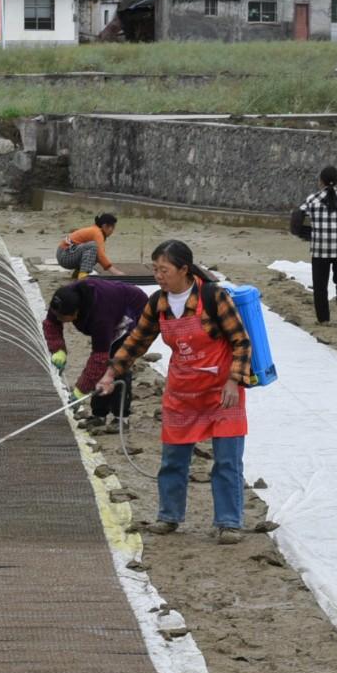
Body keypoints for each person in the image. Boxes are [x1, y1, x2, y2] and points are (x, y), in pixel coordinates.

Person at [97, 240, 253, 545]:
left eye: (164, 269)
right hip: (183, 392)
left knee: (226, 460)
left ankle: (228, 522)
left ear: (184, 269)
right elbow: (137, 341)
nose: (158, 275)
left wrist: (235, 382)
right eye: (155, 269)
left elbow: (241, 341)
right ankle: (169, 516)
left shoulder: (213, 297)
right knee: (173, 459)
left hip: (223, 392)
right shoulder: (158, 303)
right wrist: (111, 373)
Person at [43, 276, 148, 428]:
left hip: (131, 311)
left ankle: (121, 418)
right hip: (111, 306)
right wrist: (58, 350)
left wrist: (80, 391)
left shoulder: (100, 316)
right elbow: (51, 323)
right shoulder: (62, 300)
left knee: (116, 362)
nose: (59, 318)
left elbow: (99, 357)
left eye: (62, 317)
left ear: (76, 313)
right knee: (102, 365)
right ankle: (99, 414)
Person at [295, 165, 337, 324]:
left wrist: (305, 232)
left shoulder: (312, 199)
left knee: (320, 286)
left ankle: (323, 319)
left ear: (321, 181)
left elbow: (297, 216)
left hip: (319, 250)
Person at [56, 213, 118, 278]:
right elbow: (101, 256)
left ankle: (78, 273)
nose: (113, 231)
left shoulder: (95, 230)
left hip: (65, 253)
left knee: (95, 252)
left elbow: (99, 255)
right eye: (113, 227)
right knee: (93, 246)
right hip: (64, 255)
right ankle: (83, 275)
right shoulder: (97, 233)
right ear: (105, 226)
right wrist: (115, 272)